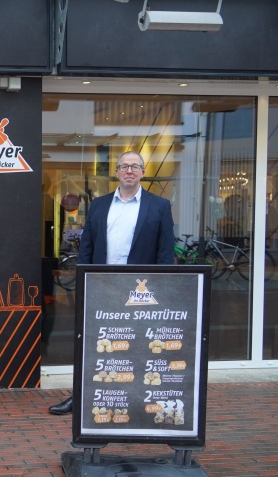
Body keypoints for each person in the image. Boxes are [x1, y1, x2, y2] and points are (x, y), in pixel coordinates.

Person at [48, 150, 175, 415]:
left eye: (135, 166)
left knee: (137, 345)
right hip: (102, 286)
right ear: (117, 172)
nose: (129, 171)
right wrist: (82, 281)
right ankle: (81, 397)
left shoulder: (159, 206)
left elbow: (165, 253)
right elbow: (87, 247)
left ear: (142, 172)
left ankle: (136, 399)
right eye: (124, 166)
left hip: (140, 291)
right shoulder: (99, 205)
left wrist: (161, 290)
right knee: (93, 342)